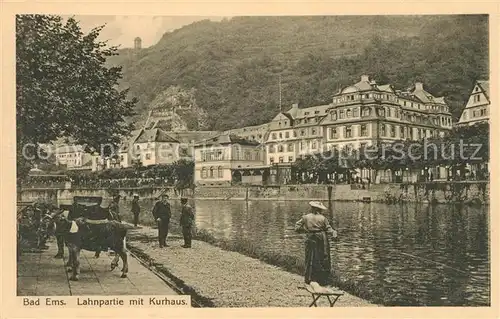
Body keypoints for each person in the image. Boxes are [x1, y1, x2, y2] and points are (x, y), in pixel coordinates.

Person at [294, 201, 337, 287]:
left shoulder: (305, 217)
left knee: (309, 257)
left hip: (310, 238)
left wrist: (306, 230)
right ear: (319, 209)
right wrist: (334, 233)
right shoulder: (323, 218)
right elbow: (329, 229)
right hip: (321, 238)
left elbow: (297, 227)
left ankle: (308, 279)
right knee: (321, 258)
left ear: (312, 208)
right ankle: (321, 280)